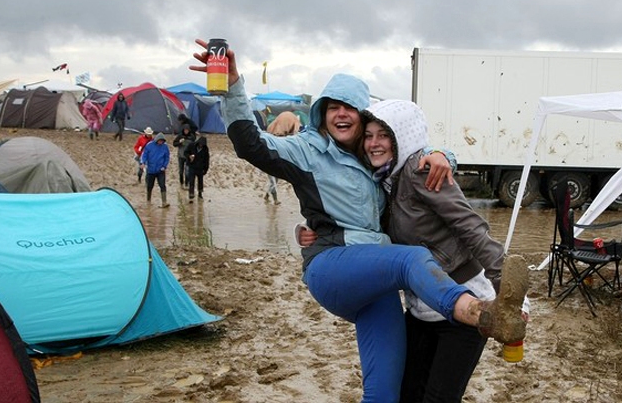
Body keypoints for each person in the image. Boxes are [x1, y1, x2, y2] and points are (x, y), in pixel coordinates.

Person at [190, 39, 527, 403]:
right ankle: (479, 312)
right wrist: (235, 88)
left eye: (350, 108)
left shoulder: (377, 167)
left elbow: (423, 187)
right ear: (321, 113)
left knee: (387, 392)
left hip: (378, 284)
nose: (341, 114)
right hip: (335, 266)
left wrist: (442, 153)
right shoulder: (307, 149)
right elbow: (251, 145)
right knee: (410, 258)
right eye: (332, 107)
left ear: (364, 117)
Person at [300, 99, 527, 402]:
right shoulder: (381, 181)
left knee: (438, 398)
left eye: (384, 135)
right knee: (407, 393)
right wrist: (309, 231)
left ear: (401, 138)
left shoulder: (420, 170)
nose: (373, 144)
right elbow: (354, 225)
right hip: (419, 307)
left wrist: (509, 292)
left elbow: (469, 225)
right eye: (368, 136)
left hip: (464, 300)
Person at [263, 111, 301, 205]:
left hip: (267, 150)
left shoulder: (274, 124)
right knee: (274, 178)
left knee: (273, 177)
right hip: (275, 154)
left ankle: (267, 195)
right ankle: (275, 199)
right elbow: (296, 135)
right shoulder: (294, 121)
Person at [140, 133, 170, 208]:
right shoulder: (149, 145)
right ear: (157, 140)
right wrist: (143, 162)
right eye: (160, 141)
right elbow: (144, 155)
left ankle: (164, 202)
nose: (161, 142)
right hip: (151, 170)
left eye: (162, 141)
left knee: (162, 185)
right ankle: (148, 200)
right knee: (150, 186)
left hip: (161, 170)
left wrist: (164, 166)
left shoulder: (165, 147)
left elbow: (167, 157)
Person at [184, 135, 210, 203]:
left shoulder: (205, 149)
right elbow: (185, 152)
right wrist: (189, 157)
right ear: (198, 142)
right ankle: (191, 195)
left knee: (200, 181)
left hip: (200, 168)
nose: (201, 145)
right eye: (200, 144)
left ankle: (200, 194)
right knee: (191, 181)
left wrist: (206, 169)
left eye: (202, 144)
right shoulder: (191, 145)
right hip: (192, 166)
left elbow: (207, 159)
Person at [172, 123, 197, 187]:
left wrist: (193, 155)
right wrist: (179, 142)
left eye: (187, 130)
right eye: (185, 130)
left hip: (188, 157)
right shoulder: (180, 136)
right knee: (181, 171)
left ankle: (186, 183)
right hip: (180, 156)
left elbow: (194, 147)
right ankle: (181, 182)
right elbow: (174, 144)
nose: (186, 131)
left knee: (187, 171)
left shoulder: (192, 137)